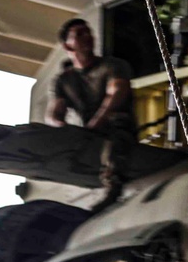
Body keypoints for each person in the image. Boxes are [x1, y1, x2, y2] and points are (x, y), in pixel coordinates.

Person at [48, 18, 135, 210]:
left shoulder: (114, 66)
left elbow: (117, 93)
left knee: (116, 136)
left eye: (88, 32)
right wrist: (60, 127)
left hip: (117, 125)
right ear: (67, 45)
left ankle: (113, 187)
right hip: (89, 130)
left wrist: (96, 123)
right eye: (79, 34)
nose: (88, 37)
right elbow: (55, 113)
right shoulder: (64, 80)